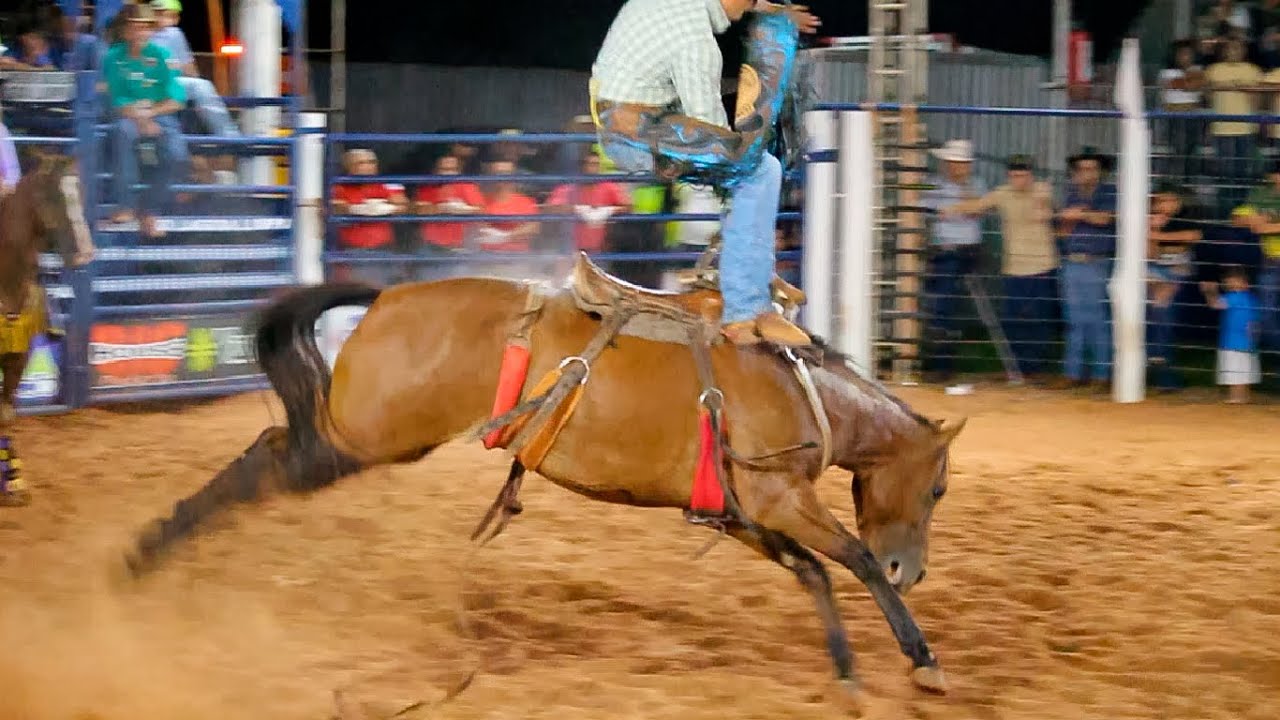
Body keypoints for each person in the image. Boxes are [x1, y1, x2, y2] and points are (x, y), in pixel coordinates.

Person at [589, 0, 820, 347]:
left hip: (628, 119)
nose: (752, 5)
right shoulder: (696, 39)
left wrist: (769, 11)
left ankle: (749, 267)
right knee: (752, 165)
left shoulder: (683, 9)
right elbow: (714, 134)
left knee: (755, 163)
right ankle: (744, 308)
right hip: (633, 133)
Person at [942, 154, 1058, 383]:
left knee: (1039, 321)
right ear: (1009, 176)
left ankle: (1038, 370)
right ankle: (1017, 370)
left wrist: (1041, 199)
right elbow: (978, 205)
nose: (1019, 181)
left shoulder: (1043, 190)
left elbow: (1042, 215)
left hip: (1042, 266)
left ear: (1031, 175)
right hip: (1014, 267)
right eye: (1015, 176)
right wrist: (951, 209)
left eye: (1023, 176)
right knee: (1013, 321)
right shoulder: (1003, 193)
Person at [103, 3, 190, 238]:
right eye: (134, 27)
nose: (140, 33)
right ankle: (126, 205)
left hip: (159, 115)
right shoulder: (113, 57)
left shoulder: (162, 55)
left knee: (176, 153)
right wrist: (139, 117)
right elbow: (115, 97)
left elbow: (177, 99)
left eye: (145, 27)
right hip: (128, 116)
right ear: (124, 30)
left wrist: (149, 115)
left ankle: (149, 210)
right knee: (122, 133)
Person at [1053, 146, 1117, 391]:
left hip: (1096, 261)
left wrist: (1077, 214)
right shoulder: (1070, 193)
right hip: (1071, 261)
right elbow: (1060, 228)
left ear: (1100, 171)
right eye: (1082, 168)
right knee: (1074, 321)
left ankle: (1101, 375)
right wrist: (1073, 216)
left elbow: (1106, 219)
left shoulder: (1109, 192)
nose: (1086, 173)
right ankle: (1073, 373)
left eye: (1091, 168)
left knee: (1098, 320)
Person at [923, 139, 986, 384]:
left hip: (965, 252)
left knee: (944, 306)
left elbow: (977, 209)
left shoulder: (977, 184)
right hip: (941, 251)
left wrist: (958, 203)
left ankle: (944, 366)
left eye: (958, 163)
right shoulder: (935, 185)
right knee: (937, 307)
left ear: (967, 165)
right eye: (950, 163)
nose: (953, 167)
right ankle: (939, 363)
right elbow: (924, 209)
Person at [149, 0, 241, 139]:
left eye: (168, 15)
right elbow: (189, 70)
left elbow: (187, 69)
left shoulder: (169, 34)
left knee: (196, 94)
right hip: (153, 85)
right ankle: (230, 137)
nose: (163, 19)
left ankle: (225, 137)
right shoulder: (169, 33)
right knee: (201, 86)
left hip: (164, 89)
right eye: (160, 14)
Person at [1146, 183, 1203, 390]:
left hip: (1177, 274)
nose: (1164, 205)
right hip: (1153, 273)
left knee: (1162, 314)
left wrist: (1157, 236)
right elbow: (1150, 255)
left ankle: (1160, 364)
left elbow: (1192, 237)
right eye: (1159, 200)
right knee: (1155, 314)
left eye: (1169, 200)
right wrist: (1154, 229)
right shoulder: (1150, 221)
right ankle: (1158, 363)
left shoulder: (1187, 218)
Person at [1205, 265, 1261, 403]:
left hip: (1233, 342)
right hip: (1247, 342)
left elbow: (1216, 304)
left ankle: (1236, 397)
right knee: (1244, 370)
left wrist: (1209, 291)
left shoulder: (1233, 297)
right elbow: (1256, 320)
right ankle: (1244, 396)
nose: (1230, 284)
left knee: (1235, 370)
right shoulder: (1252, 298)